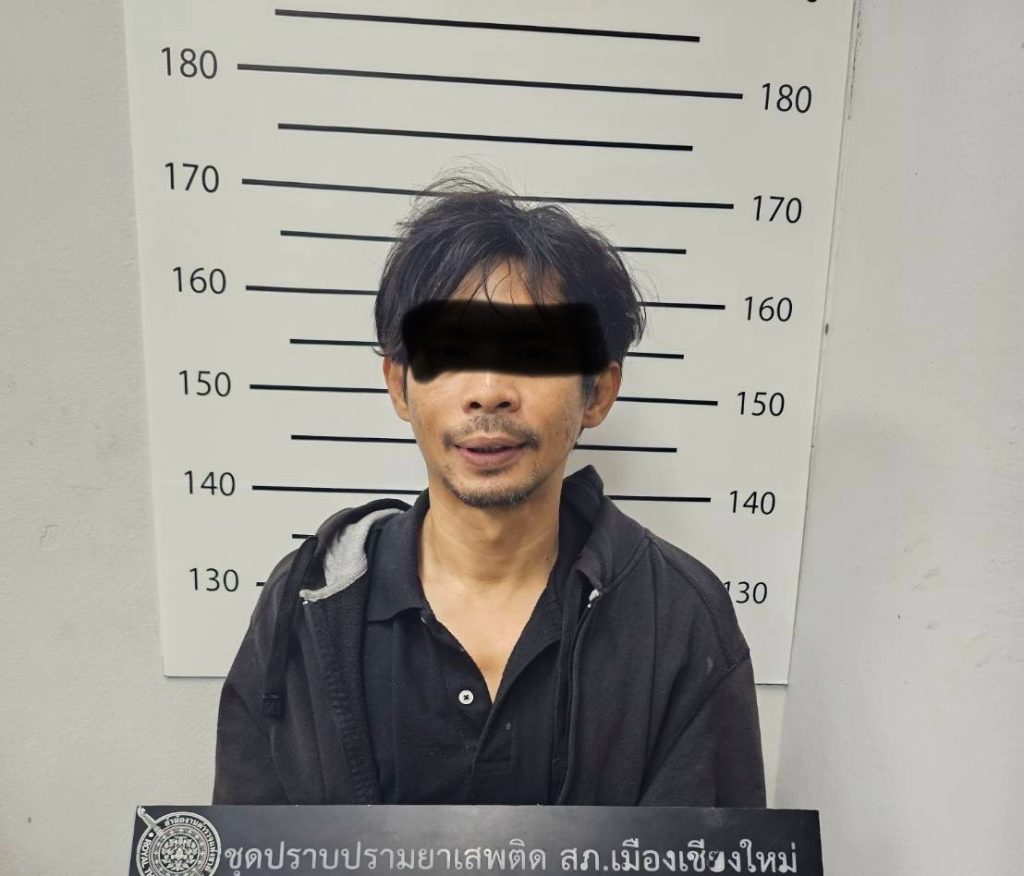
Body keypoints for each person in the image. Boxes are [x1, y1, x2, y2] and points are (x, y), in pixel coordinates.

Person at [213, 175, 766, 806]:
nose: (489, 392)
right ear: (399, 385)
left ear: (598, 393)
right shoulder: (308, 601)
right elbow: (250, 843)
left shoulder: (682, 615)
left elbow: (709, 848)